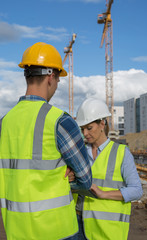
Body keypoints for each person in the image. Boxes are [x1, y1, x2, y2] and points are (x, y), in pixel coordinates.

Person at [0, 42, 92, 240]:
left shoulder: (4, 123)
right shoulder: (60, 121)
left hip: (17, 231)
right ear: (51, 77)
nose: (57, 85)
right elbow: (85, 180)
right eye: (59, 79)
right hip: (58, 231)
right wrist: (65, 178)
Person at [73, 97, 143, 240]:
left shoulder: (121, 152)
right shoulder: (79, 152)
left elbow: (136, 190)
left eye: (89, 128)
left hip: (106, 229)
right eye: (82, 129)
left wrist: (104, 194)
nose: (85, 133)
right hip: (77, 222)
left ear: (102, 123)